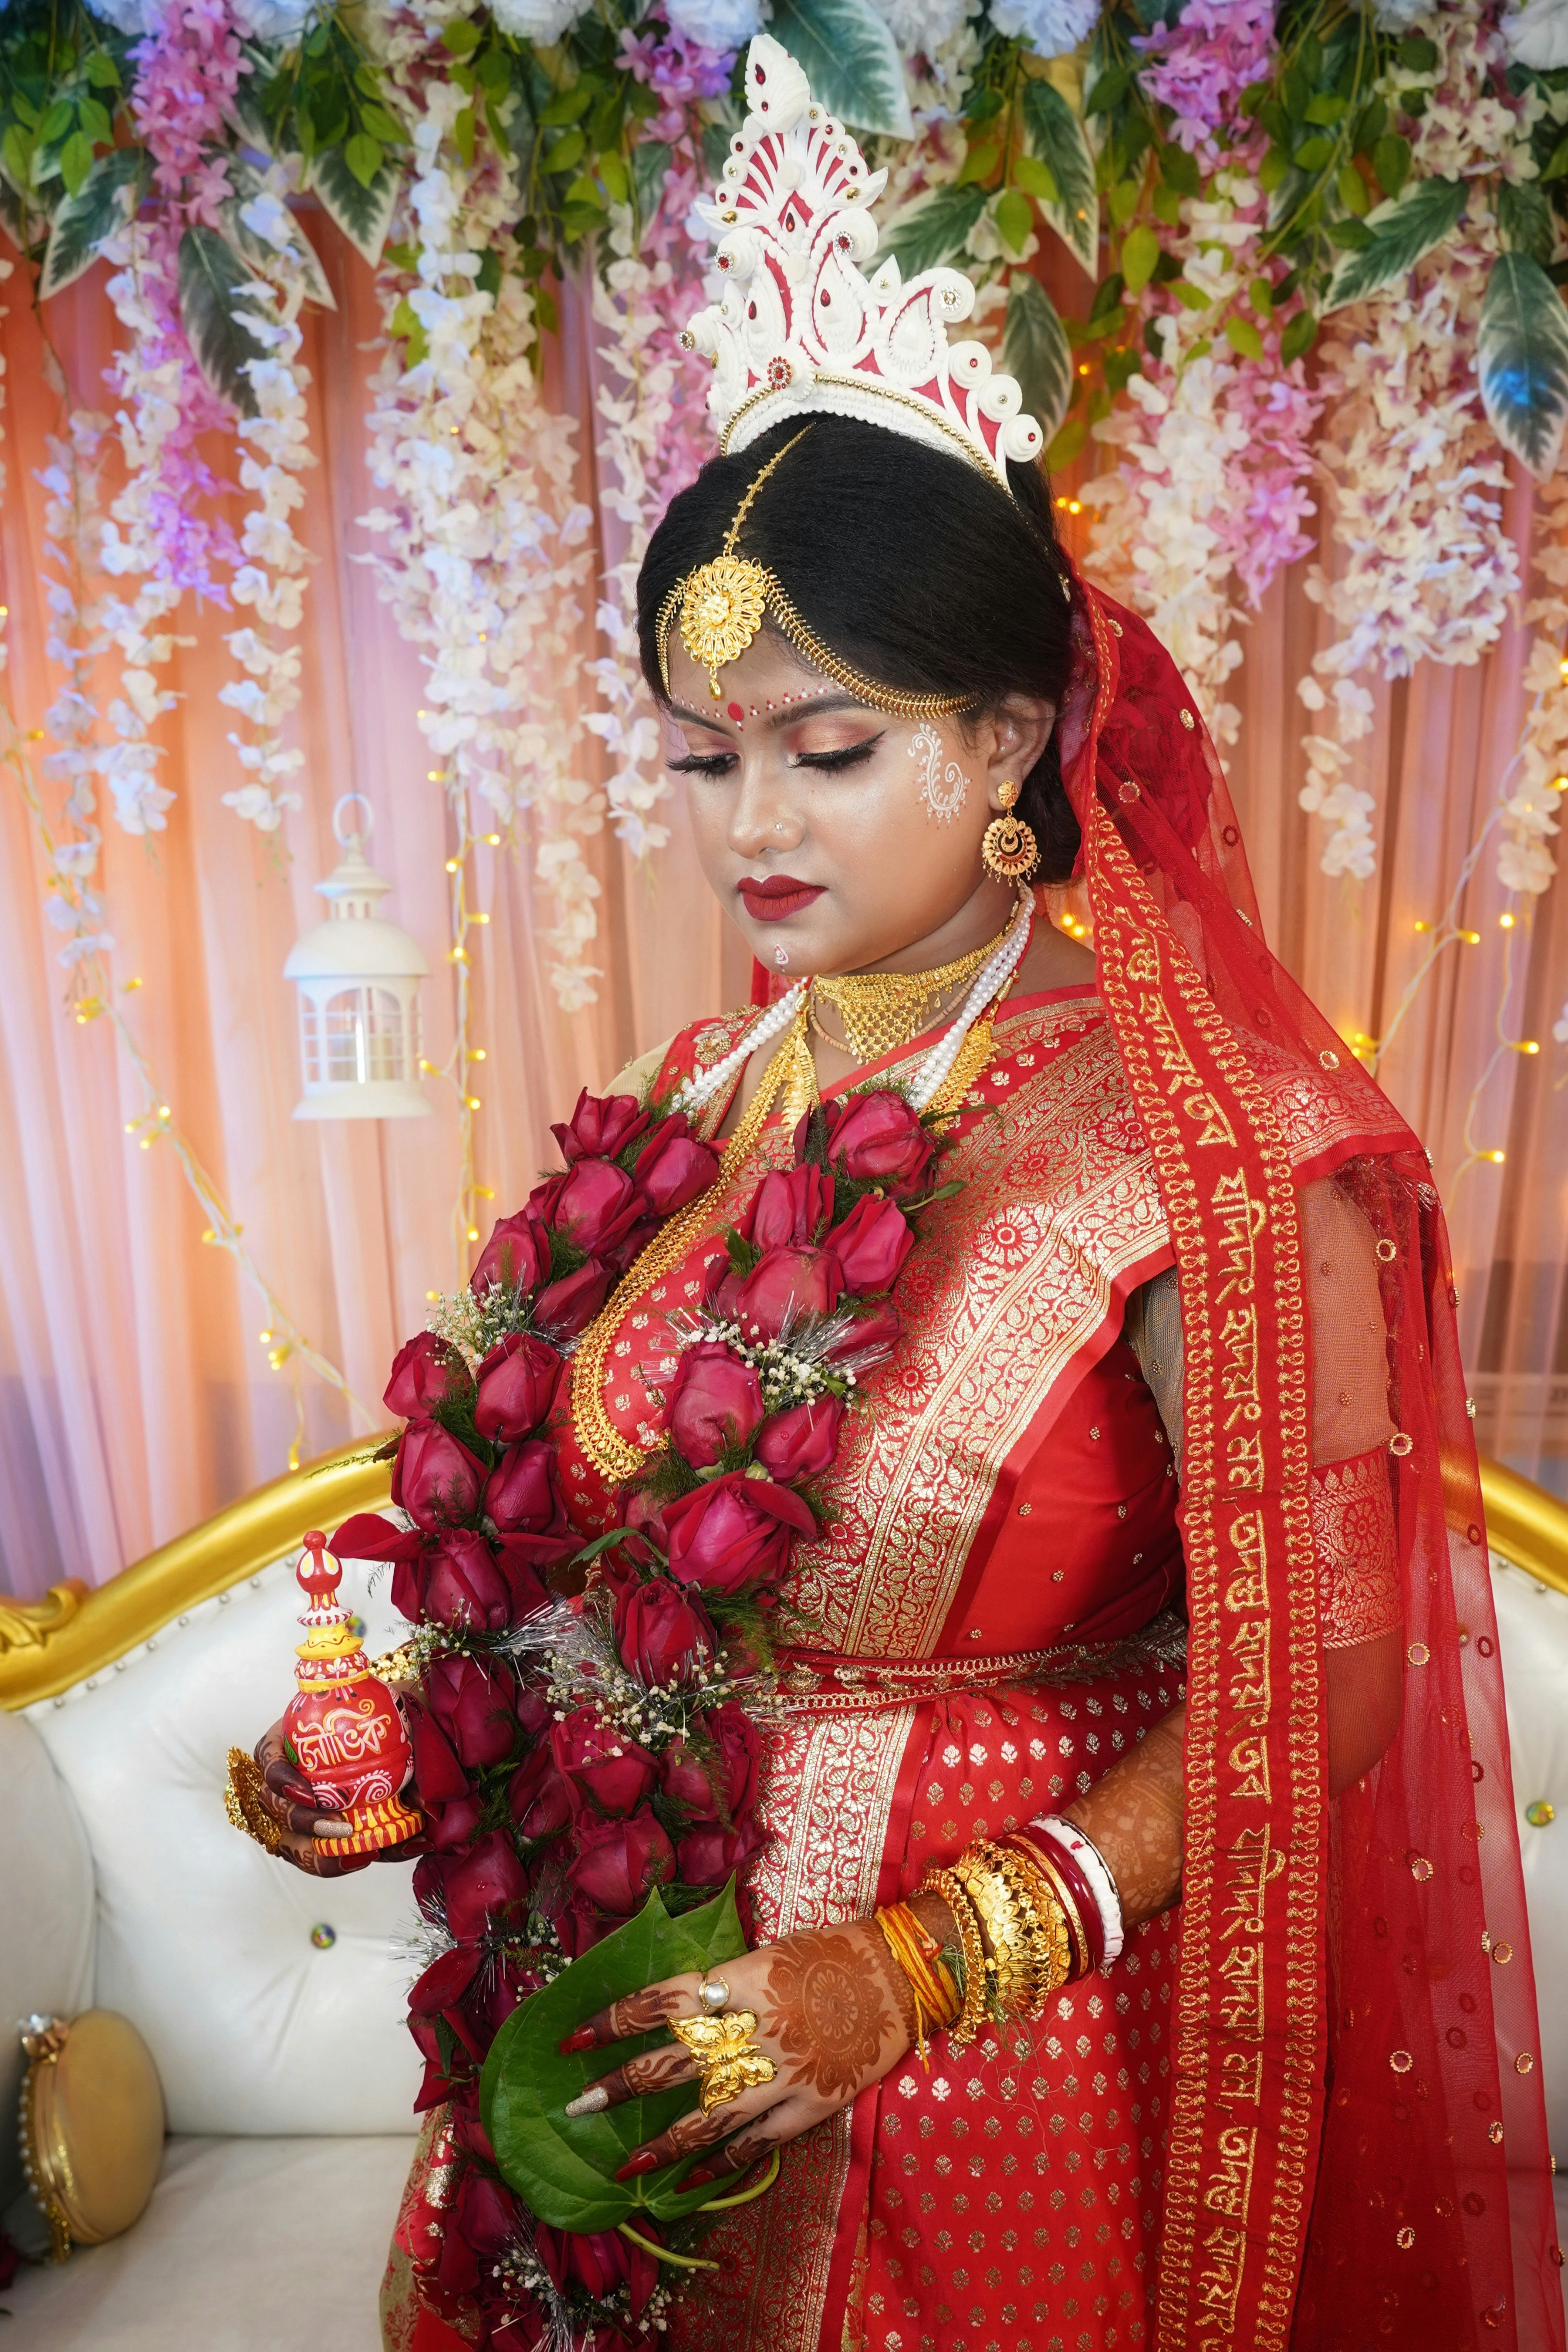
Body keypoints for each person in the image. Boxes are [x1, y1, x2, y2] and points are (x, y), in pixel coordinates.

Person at [242, 38, 1561, 2352]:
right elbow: (589, 1560)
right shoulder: (689, 1089)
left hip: (987, 2069)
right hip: (627, 2041)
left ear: (1010, 738)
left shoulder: (1223, 1148)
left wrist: (909, 1963)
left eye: (831, 749)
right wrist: (415, 1753)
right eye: (706, 756)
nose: (757, 820)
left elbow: (1326, 1695)